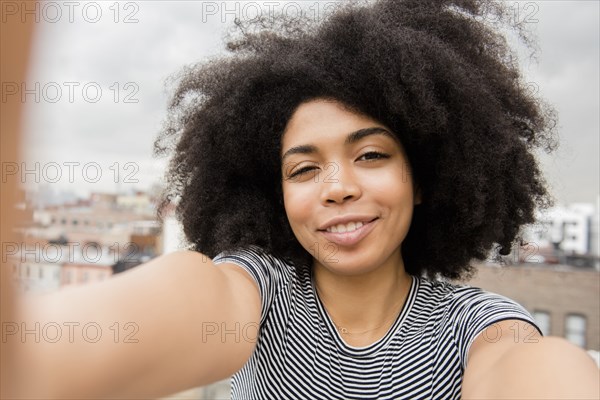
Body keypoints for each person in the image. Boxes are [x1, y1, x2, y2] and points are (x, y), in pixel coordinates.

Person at [8, 0, 599, 399]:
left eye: (370, 155)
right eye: (304, 168)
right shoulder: (256, 294)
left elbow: (537, 375)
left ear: (425, 180)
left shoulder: (478, 328)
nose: (337, 187)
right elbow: (58, 352)